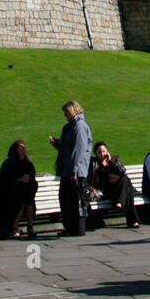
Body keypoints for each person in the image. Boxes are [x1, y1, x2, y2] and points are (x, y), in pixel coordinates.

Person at [49, 99, 92, 237]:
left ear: (73, 110)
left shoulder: (79, 126)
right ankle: (71, 227)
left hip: (74, 171)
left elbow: (79, 150)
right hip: (68, 169)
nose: (65, 115)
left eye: (67, 112)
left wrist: (74, 170)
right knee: (66, 199)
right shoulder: (70, 127)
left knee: (74, 200)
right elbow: (68, 147)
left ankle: (76, 228)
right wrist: (57, 143)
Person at [0, 141, 39, 239]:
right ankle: (16, 227)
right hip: (9, 195)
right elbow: (4, 182)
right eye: (21, 148)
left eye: (24, 147)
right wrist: (20, 180)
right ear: (15, 150)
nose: (24, 149)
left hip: (26, 194)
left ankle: (28, 226)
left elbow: (33, 182)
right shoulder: (8, 164)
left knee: (28, 198)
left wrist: (28, 180)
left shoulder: (28, 164)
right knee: (24, 200)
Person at [90, 141, 140, 229]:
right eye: (99, 152)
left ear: (107, 152)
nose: (102, 154)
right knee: (127, 188)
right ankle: (133, 220)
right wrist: (100, 168)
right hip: (109, 190)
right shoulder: (95, 165)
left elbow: (122, 170)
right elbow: (96, 183)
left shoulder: (114, 160)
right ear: (96, 154)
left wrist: (111, 162)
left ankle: (120, 202)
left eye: (104, 151)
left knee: (125, 179)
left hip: (120, 188)